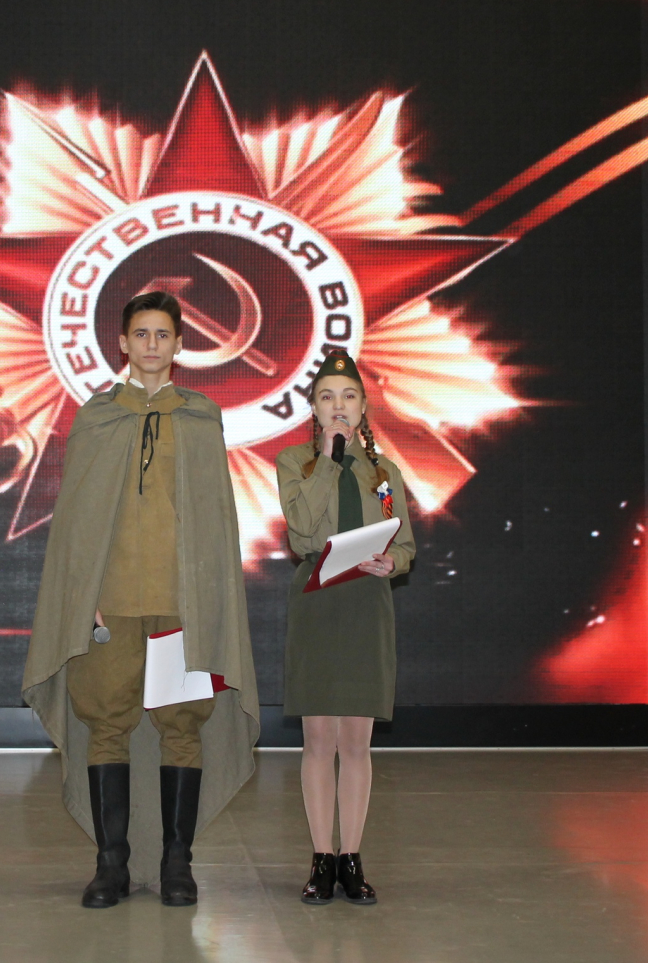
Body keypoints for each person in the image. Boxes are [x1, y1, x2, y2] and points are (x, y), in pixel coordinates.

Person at [22, 290, 260, 909]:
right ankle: (111, 866)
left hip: (181, 606)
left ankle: (178, 863)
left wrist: (207, 598)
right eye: (141, 334)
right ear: (123, 343)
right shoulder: (96, 418)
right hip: (113, 605)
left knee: (181, 726)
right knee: (107, 723)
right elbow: (78, 523)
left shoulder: (202, 418)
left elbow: (215, 521)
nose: (152, 344)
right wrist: (85, 595)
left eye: (162, 334)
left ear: (179, 345)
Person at [275, 349, 416, 905]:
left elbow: (405, 543)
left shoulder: (385, 473)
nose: (339, 406)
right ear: (313, 408)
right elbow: (301, 529)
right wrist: (331, 459)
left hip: (366, 604)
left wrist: (393, 561)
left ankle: (352, 858)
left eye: (349, 396)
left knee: (356, 740)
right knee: (319, 738)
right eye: (328, 397)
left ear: (363, 408)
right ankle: (321, 859)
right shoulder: (296, 462)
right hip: (318, 601)